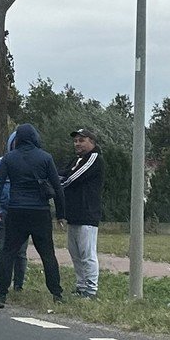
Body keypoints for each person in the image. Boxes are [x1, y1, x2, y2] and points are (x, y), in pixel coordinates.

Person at [0, 123, 66, 308]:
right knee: (47, 254)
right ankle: (56, 293)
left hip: (16, 210)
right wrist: (60, 214)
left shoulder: (8, 159)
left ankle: (2, 295)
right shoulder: (45, 158)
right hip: (40, 211)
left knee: (8, 252)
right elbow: (57, 188)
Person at [61, 128, 104, 299]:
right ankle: (81, 286)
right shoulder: (75, 160)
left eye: (81, 140)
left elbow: (73, 177)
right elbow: (64, 172)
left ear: (92, 142)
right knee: (75, 252)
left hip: (87, 213)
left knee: (87, 254)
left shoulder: (94, 158)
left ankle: (91, 289)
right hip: (74, 213)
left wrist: (57, 186)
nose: (77, 144)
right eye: (76, 141)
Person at [0, 132, 28, 298]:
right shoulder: (1, 163)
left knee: (21, 252)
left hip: (23, 213)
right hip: (4, 213)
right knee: (1, 248)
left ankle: (18, 286)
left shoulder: (30, 163)